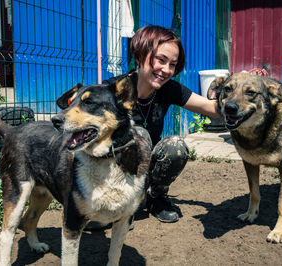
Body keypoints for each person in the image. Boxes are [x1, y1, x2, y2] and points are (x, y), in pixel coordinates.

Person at [95, 25, 221, 224]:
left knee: (175, 147)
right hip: (111, 171)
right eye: (161, 60)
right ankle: (116, 203)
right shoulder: (113, 91)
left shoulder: (168, 89)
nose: (167, 70)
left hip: (144, 169)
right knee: (139, 134)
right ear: (141, 54)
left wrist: (242, 94)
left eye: (172, 64)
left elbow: (210, 107)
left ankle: (156, 197)